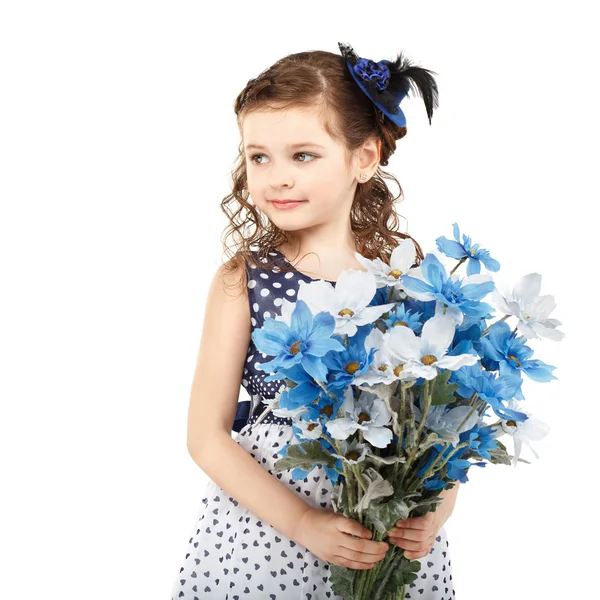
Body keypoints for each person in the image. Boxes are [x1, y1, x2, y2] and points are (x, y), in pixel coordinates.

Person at [170, 42, 458, 600]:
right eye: (259, 157)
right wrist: (304, 523)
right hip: (265, 542)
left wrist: (436, 512)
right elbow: (206, 437)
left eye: (302, 155)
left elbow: (443, 430)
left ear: (365, 158)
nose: (276, 177)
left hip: (386, 549)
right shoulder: (245, 281)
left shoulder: (409, 283)